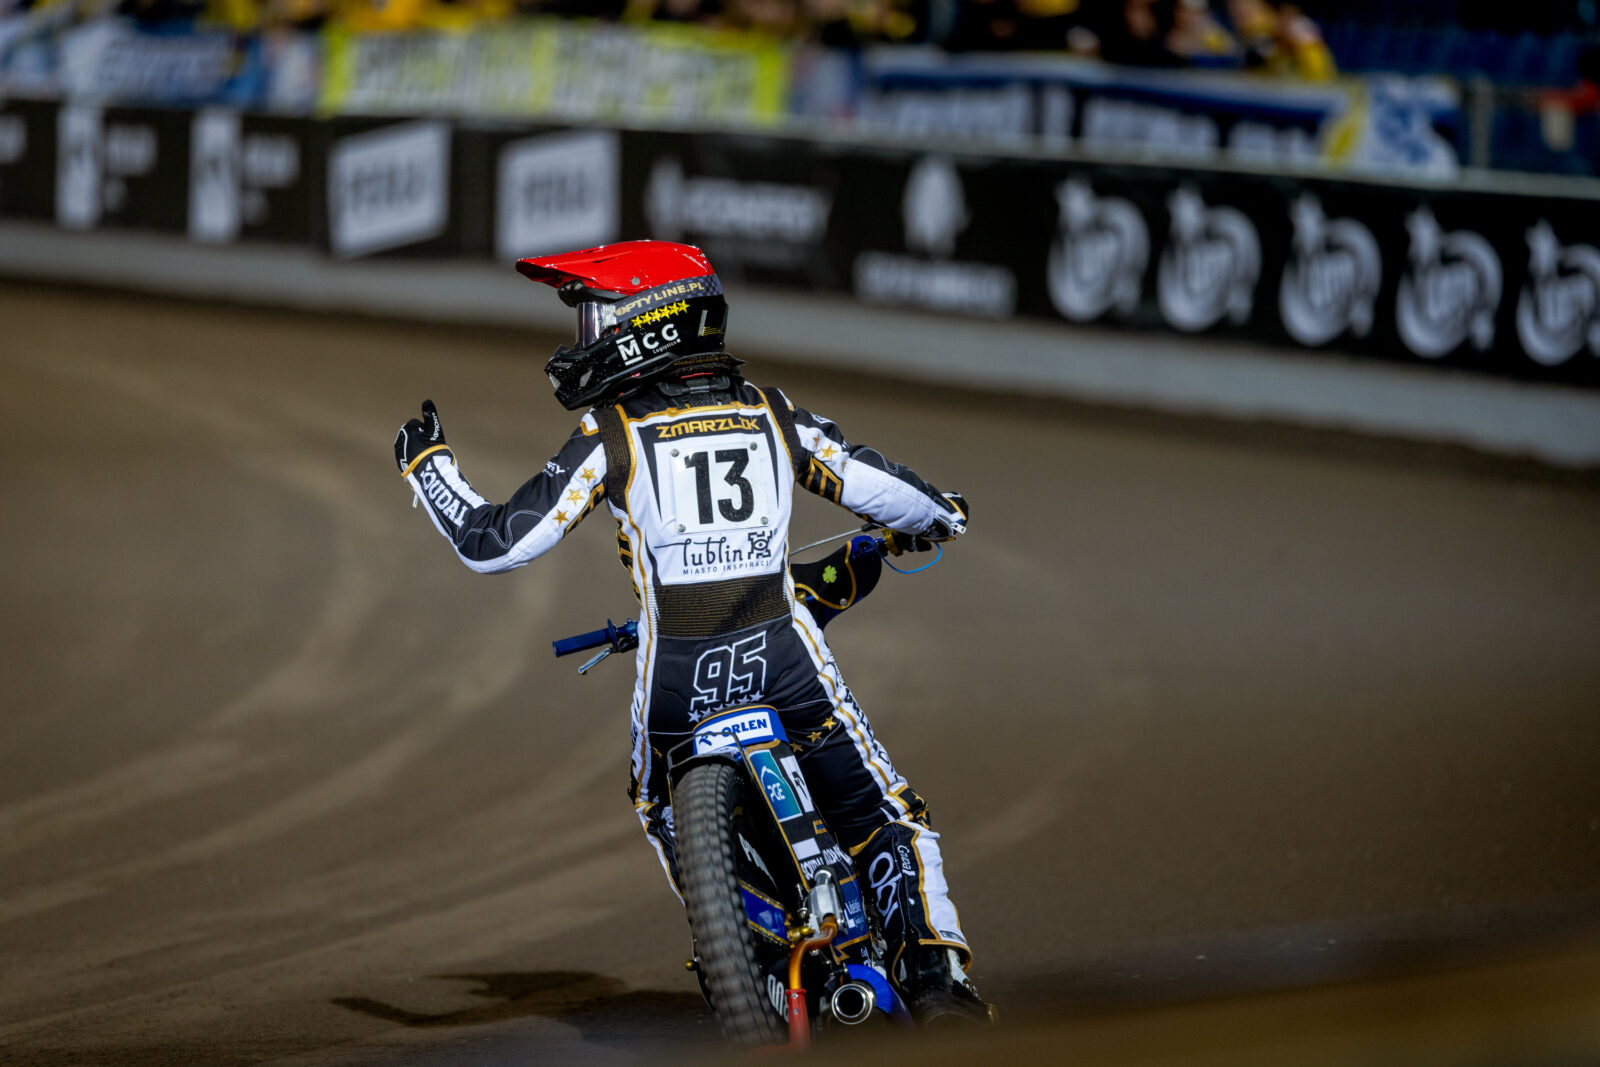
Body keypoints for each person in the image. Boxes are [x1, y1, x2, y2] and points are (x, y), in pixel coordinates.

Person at [392, 240, 988, 1025]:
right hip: (784, 662)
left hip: (675, 682)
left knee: (655, 802)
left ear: (651, 321)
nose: (583, 338)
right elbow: (881, 487)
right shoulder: (770, 412)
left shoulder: (613, 432)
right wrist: (942, 517)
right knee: (886, 815)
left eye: (594, 318)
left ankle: (739, 946)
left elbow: (496, 543)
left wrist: (428, 467)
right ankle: (939, 982)